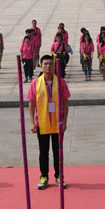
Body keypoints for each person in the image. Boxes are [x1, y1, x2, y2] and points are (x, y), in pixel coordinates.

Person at [27, 55, 70, 190]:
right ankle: (44, 176)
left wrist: (64, 122)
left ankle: (59, 176)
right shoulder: (36, 83)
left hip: (57, 121)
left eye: (51, 64)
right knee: (43, 151)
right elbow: (31, 104)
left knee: (58, 152)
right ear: (41, 66)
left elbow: (65, 102)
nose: (48, 66)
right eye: (45, 64)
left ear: (54, 66)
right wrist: (32, 123)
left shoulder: (61, 82)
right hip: (42, 122)